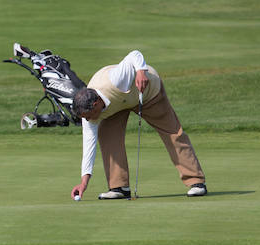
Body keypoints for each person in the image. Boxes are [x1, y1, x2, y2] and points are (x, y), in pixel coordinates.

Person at [70, 50, 207, 200]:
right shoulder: (88, 114)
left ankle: (196, 182)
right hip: (118, 104)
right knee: (107, 136)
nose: (88, 120)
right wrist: (84, 182)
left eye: (89, 117)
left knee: (173, 132)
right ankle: (119, 187)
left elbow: (134, 54)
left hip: (147, 92)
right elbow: (89, 146)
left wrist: (141, 71)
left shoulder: (116, 79)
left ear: (96, 104)